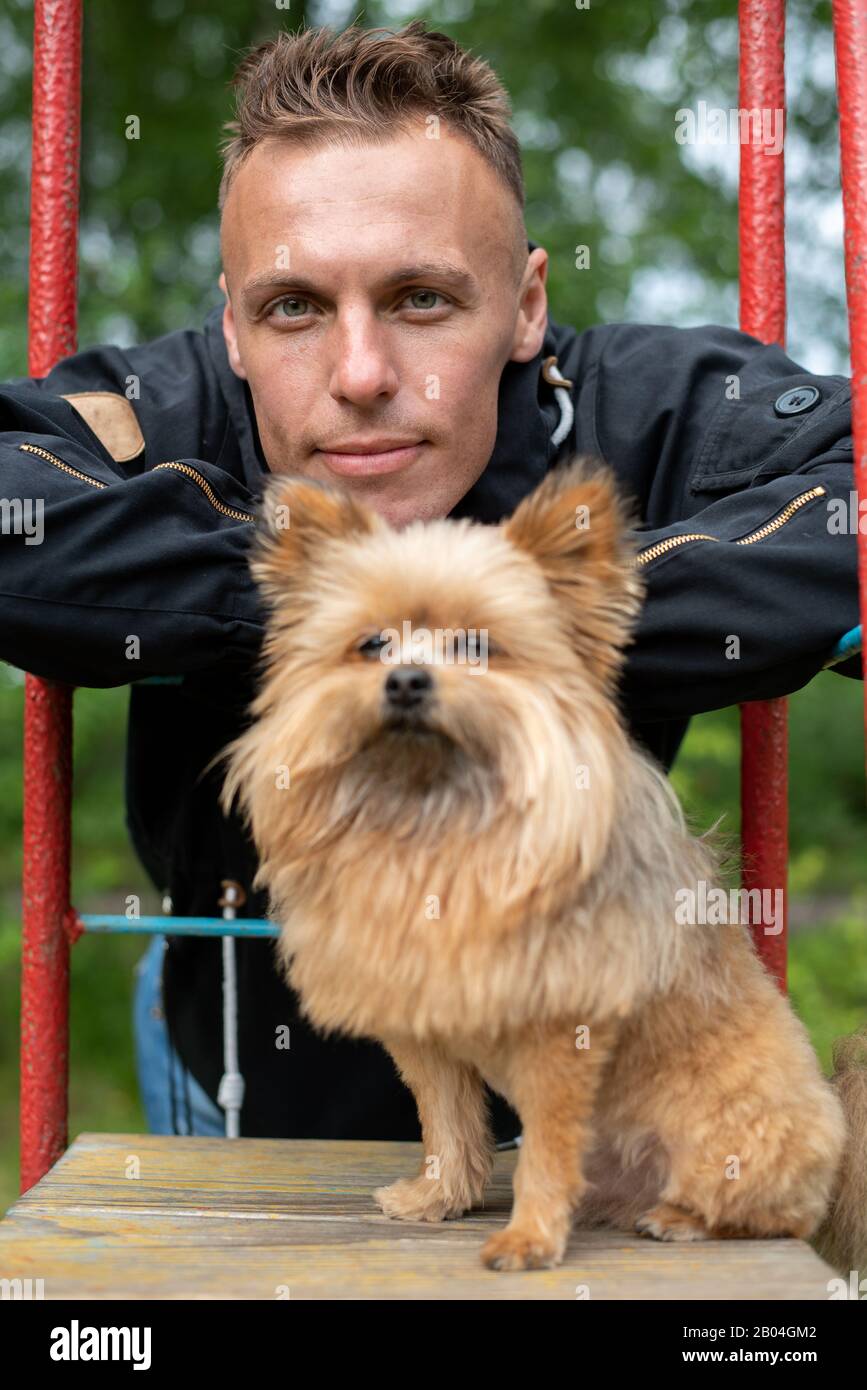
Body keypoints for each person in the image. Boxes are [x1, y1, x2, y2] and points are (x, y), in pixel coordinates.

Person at [1, 21, 860, 1141]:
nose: (359, 375)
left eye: (421, 300)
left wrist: (525, 625)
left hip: (582, 1106)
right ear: (234, 327)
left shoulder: (642, 406)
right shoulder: (181, 405)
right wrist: (330, 608)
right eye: (295, 307)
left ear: (527, 304)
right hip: (237, 1072)